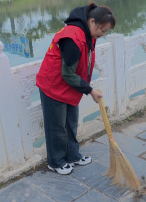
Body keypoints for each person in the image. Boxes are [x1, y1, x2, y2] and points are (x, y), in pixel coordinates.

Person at [36, 2, 115, 175]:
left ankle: (72, 155)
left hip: (70, 86)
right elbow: (67, 73)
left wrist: (85, 87)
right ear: (92, 21)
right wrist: (90, 90)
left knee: (71, 122)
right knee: (57, 127)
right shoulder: (72, 37)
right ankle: (55, 162)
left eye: (106, 31)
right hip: (53, 85)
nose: (103, 34)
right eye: (102, 29)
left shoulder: (89, 34)